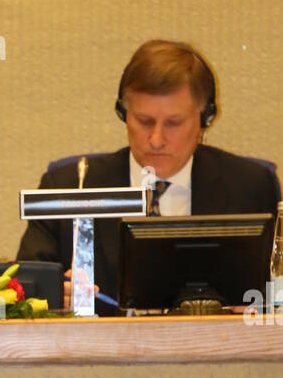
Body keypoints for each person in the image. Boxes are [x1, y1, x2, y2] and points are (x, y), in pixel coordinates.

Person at [17, 38, 280, 309]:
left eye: (173, 123)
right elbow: (24, 292)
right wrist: (54, 297)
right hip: (100, 350)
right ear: (123, 114)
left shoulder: (250, 186)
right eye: (144, 121)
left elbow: (278, 291)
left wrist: (262, 305)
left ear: (205, 118)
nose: (156, 139)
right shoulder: (69, 187)